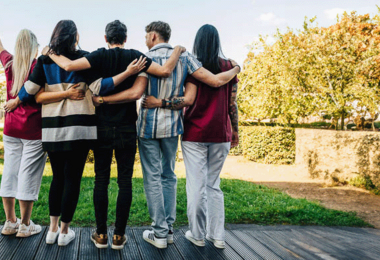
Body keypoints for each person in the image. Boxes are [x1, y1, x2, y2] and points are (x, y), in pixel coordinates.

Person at [96, 21, 240, 249]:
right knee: (169, 175)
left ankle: (159, 232)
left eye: (146, 36)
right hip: (173, 127)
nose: (145, 39)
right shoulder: (185, 58)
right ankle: (170, 230)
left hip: (148, 127)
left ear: (153, 36)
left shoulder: (142, 59)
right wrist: (236, 68)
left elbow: (137, 92)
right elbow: (212, 81)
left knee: (152, 177)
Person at [45, 20, 184, 250]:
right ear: (125, 38)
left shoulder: (97, 56)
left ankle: (100, 235)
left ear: (105, 38)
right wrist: (177, 49)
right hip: (127, 128)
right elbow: (164, 71)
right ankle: (119, 236)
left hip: (101, 127)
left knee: (101, 180)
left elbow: (69, 66)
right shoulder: (136, 56)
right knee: (124, 182)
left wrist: (49, 52)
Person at [16, 20, 147, 246]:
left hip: (53, 130)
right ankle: (65, 231)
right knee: (73, 179)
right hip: (81, 129)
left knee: (58, 178)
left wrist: (15, 99)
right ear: (75, 36)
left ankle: (52, 229)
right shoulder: (85, 59)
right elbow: (99, 86)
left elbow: (30, 92)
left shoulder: (44, 60)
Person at [144, 24, 239, 249]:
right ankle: (217, 237)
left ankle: (196, 234)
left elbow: (187, 99)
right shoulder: (229, 66)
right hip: (221, 133)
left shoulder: (193, 65)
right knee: (213, 185)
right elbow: (232, 103)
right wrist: (235, 130)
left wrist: (161, 102)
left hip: (195, 132)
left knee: (196, 185)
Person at [0, 14, 45, 238]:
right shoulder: (38, 66)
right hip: (33, 130)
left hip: (10, 129)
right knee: (28, 175)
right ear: (34, 47)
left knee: (10, 172)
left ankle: (10, 222)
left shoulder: (9, 62)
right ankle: (25, 225)